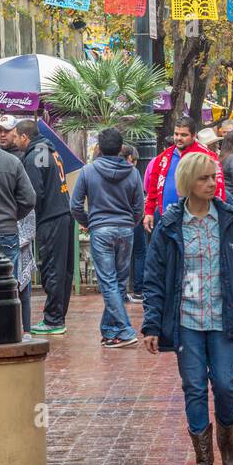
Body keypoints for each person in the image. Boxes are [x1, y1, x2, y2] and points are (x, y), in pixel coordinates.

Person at [142, 151, 233, 465]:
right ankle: (204, 461)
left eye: (213, 177)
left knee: (226, 384)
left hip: (222, 316)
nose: (211, 184)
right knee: (195, 388)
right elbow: (154, 278)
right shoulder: (170, 225)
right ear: (187, 182)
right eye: (203, 178)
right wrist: (151, 324)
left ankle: (226, 436)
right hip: (186, 320)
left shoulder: (229, 219)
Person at [70, 126, 145, 348]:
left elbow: (75, 205)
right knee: (118, 282)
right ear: (121, 148)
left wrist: (88, 222)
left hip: (101, 230)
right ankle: (110, 330)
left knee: (109, 282)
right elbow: (138, 207)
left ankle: (124, 329)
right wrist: (130, 223)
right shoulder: (133, 172)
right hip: (125, 230)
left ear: (99, 148)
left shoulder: (88, 171)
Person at [14, 118, 73, 337]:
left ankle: (53, 319)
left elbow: (34, 193)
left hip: (51, 218)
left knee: (52, 269)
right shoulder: (50, 149)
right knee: (63, 269)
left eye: (16, 136)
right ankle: (57, 316)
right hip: (63, 213)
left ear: (24, 137)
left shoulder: (34, 156)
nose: (13, 139)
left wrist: (22, 213)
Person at [0, 114, 36, 315]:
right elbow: (29, 199)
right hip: (6, 229)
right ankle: (7, 325)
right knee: (8, 283)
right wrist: (13, 214)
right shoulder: (12, 162)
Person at [144, 118, 224, 232]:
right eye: (176, 134)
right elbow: (153, 186)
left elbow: (218, 189)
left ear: (193, 136)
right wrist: (149, 212)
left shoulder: (207, 156)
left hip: (198, 223)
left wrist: (218, 216)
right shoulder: (164, 157)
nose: (179, 138)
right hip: (167, 221)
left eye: (184, 135)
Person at [122, 144, 146, 302]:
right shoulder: (133, 172)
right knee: (139, 252)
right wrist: (138, 217)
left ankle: (120, 291)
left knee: (120, 257)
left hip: (113, 220)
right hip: (132, 218)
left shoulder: (100, 169)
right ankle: (138, 290)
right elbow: (139, 199)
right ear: (131, 158)